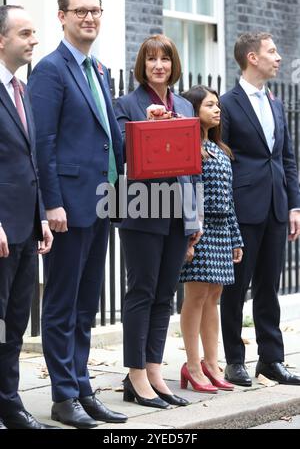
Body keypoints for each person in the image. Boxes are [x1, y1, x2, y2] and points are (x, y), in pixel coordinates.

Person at [27, 0, 127, 428]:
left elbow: (108, 137)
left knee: (87, 304)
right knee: (63, 304)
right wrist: (51, 203)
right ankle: (63, 395)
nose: (90, 18)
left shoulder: (99, 70)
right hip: (68, 207)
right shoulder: (50, 70)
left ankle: (83, 386)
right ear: (62, 17)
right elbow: (42, 143)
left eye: (96, 11)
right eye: (80, 11)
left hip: (102, 202)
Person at [114, 34, 202, 409]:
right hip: (141, 209)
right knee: (142, 292)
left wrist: (194, 216)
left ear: (173, 64)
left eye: (164, 59)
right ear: (142, 65)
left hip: (178, 212)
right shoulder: (126, 104)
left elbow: (194, 167)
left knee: (165, 295)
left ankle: (153, 370)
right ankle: (134, 375)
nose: (158, 66)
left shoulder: (183, 104)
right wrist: (148, 127)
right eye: (151, 60)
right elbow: (121, 154)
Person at [220, 32, 300, 386]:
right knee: (235, 288)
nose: (278, 57)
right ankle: (234, 360)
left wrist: (295, 205)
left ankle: (271, 359)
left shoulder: (277, 103)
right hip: (243, 207)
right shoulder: (228, 103)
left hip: (277, 208)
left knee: (269, 286)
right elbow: (222, 157)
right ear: (252, 58)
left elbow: (287, 159)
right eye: (272, 51)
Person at [0, 5, 55, 429]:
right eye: (25, 33)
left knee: (15, 322)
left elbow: (31, 161)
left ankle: (9, 401)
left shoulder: (22, 90)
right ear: (1, 40)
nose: (33, 40)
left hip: (25, 228)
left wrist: (39, 217)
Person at [179, 85, 243, 393]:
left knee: (214, 297)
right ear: (194, 110)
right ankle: (192, 365)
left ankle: (212, 363)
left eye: (218, 105)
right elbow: (187, 193)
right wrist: (189, 237)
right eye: (209, 105)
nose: (217, 110)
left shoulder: (221, 150)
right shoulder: (188, 147)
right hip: (199, 230)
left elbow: (229, 200)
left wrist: (236, 238)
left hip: (221, 231)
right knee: (196, 297)